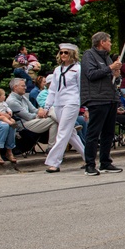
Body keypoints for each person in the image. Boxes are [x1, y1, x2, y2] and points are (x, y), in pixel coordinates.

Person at [80, 31, 123, 176]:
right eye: (109, 41)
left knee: (108, 132)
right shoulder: (88, 55)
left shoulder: (108, 58)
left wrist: (116, 75)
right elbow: (91, 74)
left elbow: (113, 79)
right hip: (97, 98)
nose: (111, 44)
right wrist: (110, 69)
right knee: (94, 132)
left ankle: (105, 162)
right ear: (102, 42)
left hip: (110, 97)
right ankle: (90, 164)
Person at [43, 43, 86, 172]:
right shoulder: (57, 70)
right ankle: (88, 157)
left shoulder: (78, 69)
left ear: (72, 54)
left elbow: (82, 88)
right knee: (70, 133)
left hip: (72, 102)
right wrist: (47, 106)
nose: (63, 55)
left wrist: (85, 107)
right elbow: (52, 90)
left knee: (62, 131)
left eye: (66, 53)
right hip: (59, 103)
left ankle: (54, 162)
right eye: (61, 52)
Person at [0, 87, 19, 165]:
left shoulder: (4, 103)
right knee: (4, 125)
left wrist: (9, 113)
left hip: (1, 118)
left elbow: (8, 108)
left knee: (11, 125)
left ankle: (9, 151)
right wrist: (3, 114)